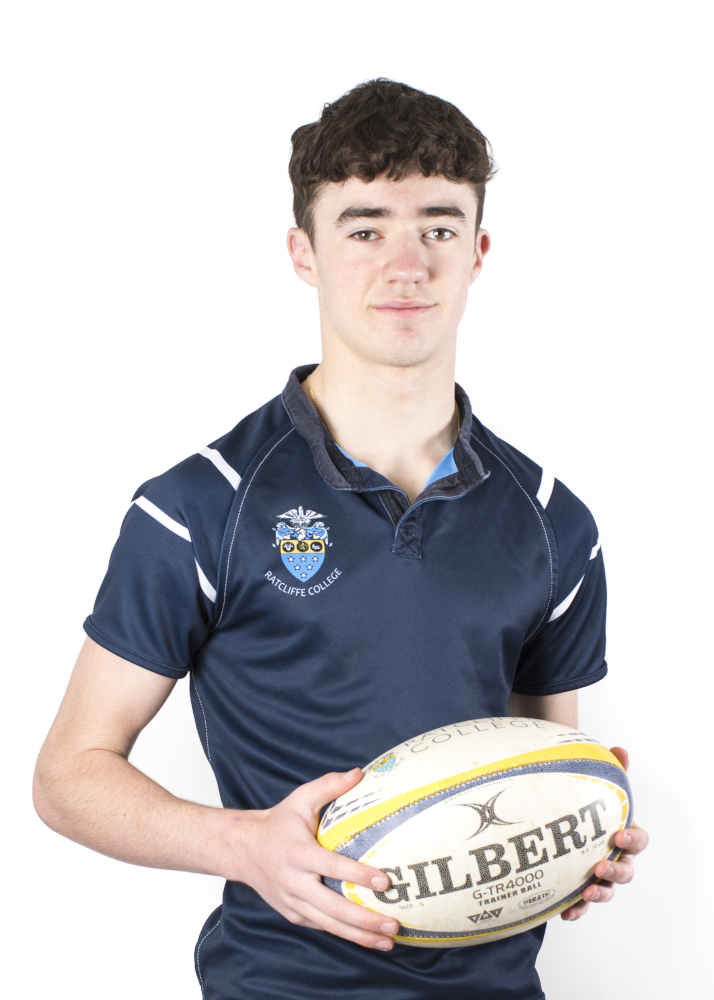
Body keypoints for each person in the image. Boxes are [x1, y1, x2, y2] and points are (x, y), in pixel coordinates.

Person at [32, 77, 649, 999]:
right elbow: (68, 775)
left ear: (479, 251)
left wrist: (577, 841)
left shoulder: (553, 519)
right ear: (303, 253)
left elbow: (540, 760)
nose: (407, 266)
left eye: (438, 227)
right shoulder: (203, 503)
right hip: (279, 983)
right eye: (365, 229)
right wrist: (245, 846)